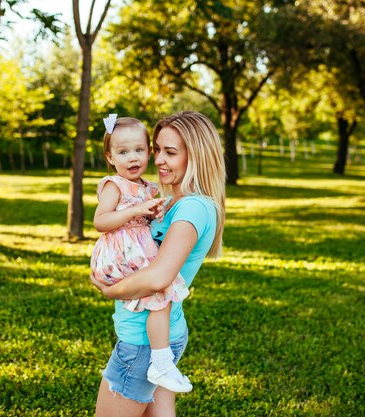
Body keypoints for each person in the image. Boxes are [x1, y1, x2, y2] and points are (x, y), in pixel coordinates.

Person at [91, 111, 227, 417]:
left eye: (171, 152)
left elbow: (159, 277)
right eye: (158, 149)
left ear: (196, 155)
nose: (159, 160)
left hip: (142, 343)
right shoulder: (173, 202)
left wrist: (111, 291)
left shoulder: (192, 207)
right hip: (158, 334)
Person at [90, 115, 193, 394]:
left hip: (137, 249)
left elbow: (147, 219)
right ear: (110, 157)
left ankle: (161, 360)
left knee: (161, 293)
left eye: (139, 150)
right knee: (160, 292)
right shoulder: (115, 185)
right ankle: (161, 361)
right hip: (119, 253)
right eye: (123, 152)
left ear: (148, 151)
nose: (132, 158)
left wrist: (153, 211)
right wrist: (135, 211)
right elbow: (100, 221)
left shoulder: (148, 186)